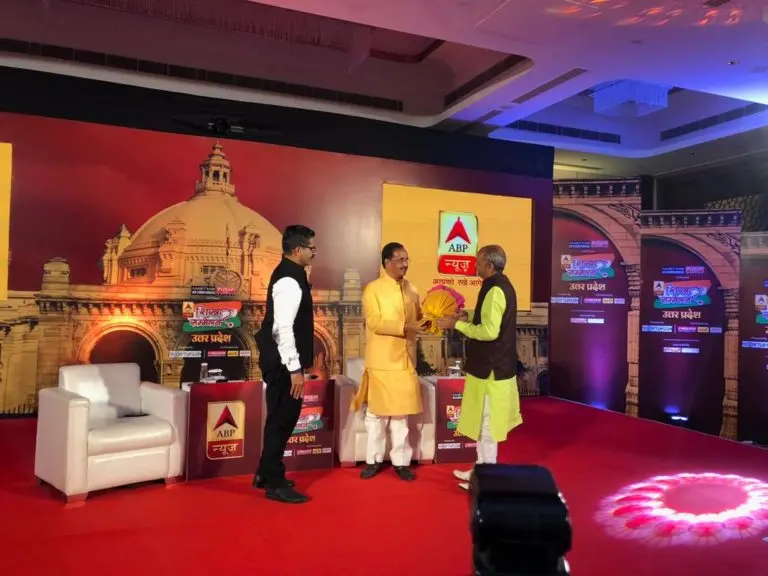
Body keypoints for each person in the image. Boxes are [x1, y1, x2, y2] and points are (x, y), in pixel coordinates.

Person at [436, 245, 522, 490]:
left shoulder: (495, 289)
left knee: (487, 425)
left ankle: (486, 478)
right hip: (489, 367)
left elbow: (489, 331)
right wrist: (468, 317)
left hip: (491, 369)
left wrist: (456, 325)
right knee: (483, 422)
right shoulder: (498, 285)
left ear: (489, 266)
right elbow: (488, 320)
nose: (474, 265)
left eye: (478, 261)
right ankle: (480, 470)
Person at [253, 225, 316, 504]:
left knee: (279, 419)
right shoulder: (289, 280)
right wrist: (295, 369)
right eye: (311, 248)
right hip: (283, 365)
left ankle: (265, 473)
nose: (314, 253)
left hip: (282, 363)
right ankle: (274, 482)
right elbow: (283, 328)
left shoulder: (294, 274)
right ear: (297, 249)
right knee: (282, 420)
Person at [351, 242, 423, 481]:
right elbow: (375, 322)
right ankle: (373, 460)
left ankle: (401, 462)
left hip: (405, 360)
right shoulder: (373, 289)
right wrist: (405, 327)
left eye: (407, 259)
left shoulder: (412, 289)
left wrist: (433, 319)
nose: (405, 264)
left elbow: (419, 318)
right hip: (382, 361)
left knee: (401, 416)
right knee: (377, 416)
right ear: (386, 263)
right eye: (400, 260)